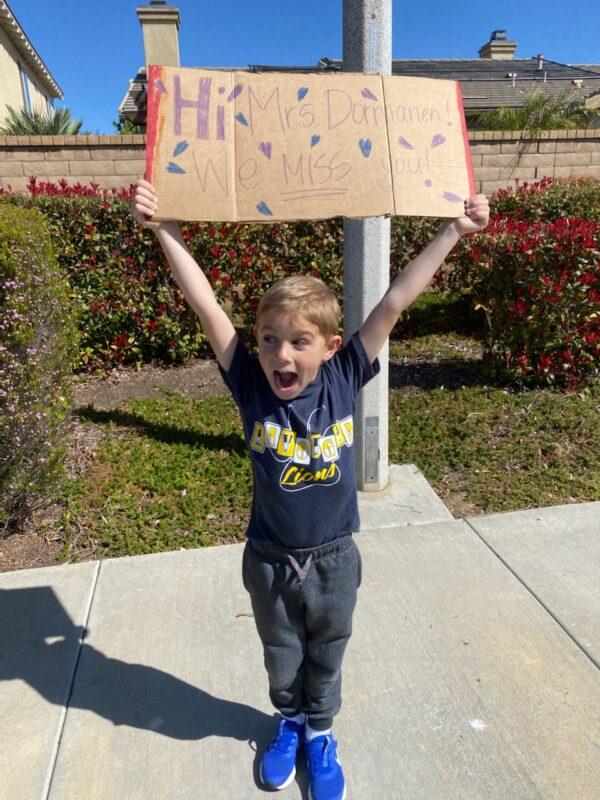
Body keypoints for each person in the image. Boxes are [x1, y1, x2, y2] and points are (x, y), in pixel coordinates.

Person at [131, 179, 489, 800]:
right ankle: (288, 722)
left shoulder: (347, 374)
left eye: (298, 342)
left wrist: (454, 230)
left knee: (327, 650)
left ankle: (320, 732)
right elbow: (207, 308)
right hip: (269, 560)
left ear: (328, 348)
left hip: (334, 559)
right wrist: (164, 229)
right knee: (281, 653)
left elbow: (392, 305)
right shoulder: (250, 384)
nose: (280, 354)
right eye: (270, 340)